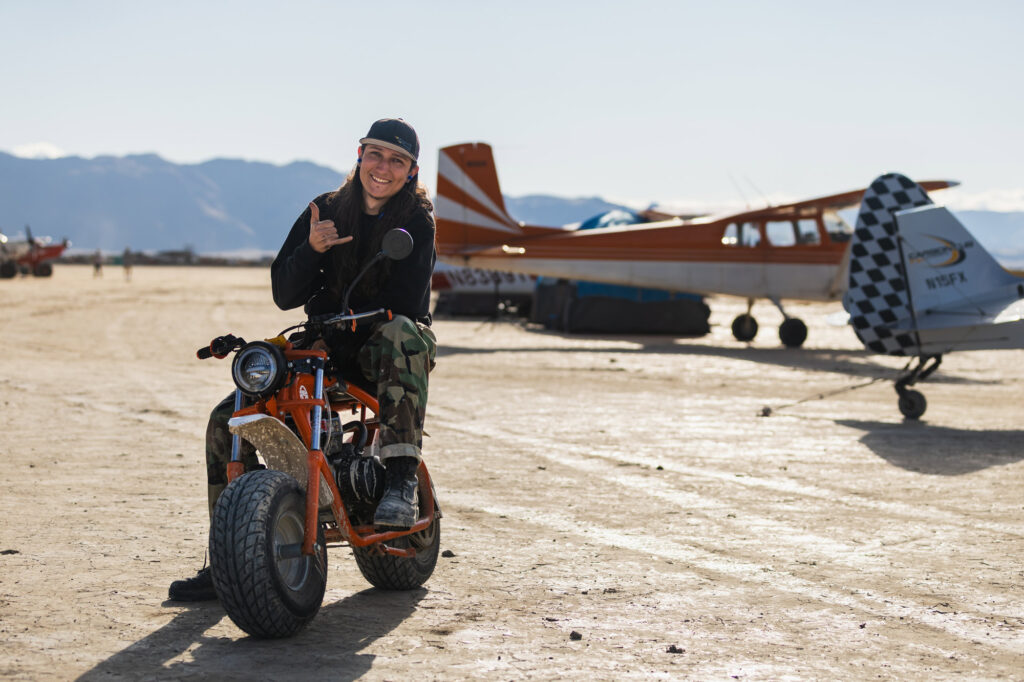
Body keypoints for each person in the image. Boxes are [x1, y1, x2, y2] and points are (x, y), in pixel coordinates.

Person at [168, 118, 437, 602]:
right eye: (376, 154)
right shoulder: (324, 210)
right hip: (324, 344)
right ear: (359, 154)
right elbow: (283, 293)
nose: (383, 168)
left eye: (397, 161)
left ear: (411, 171)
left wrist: (356, 314)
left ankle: (400, 482)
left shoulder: (415, 220)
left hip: (382, 349)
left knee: (403, 332)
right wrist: (311, 251)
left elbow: (412, 299)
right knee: (225, 419)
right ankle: (229, 553)